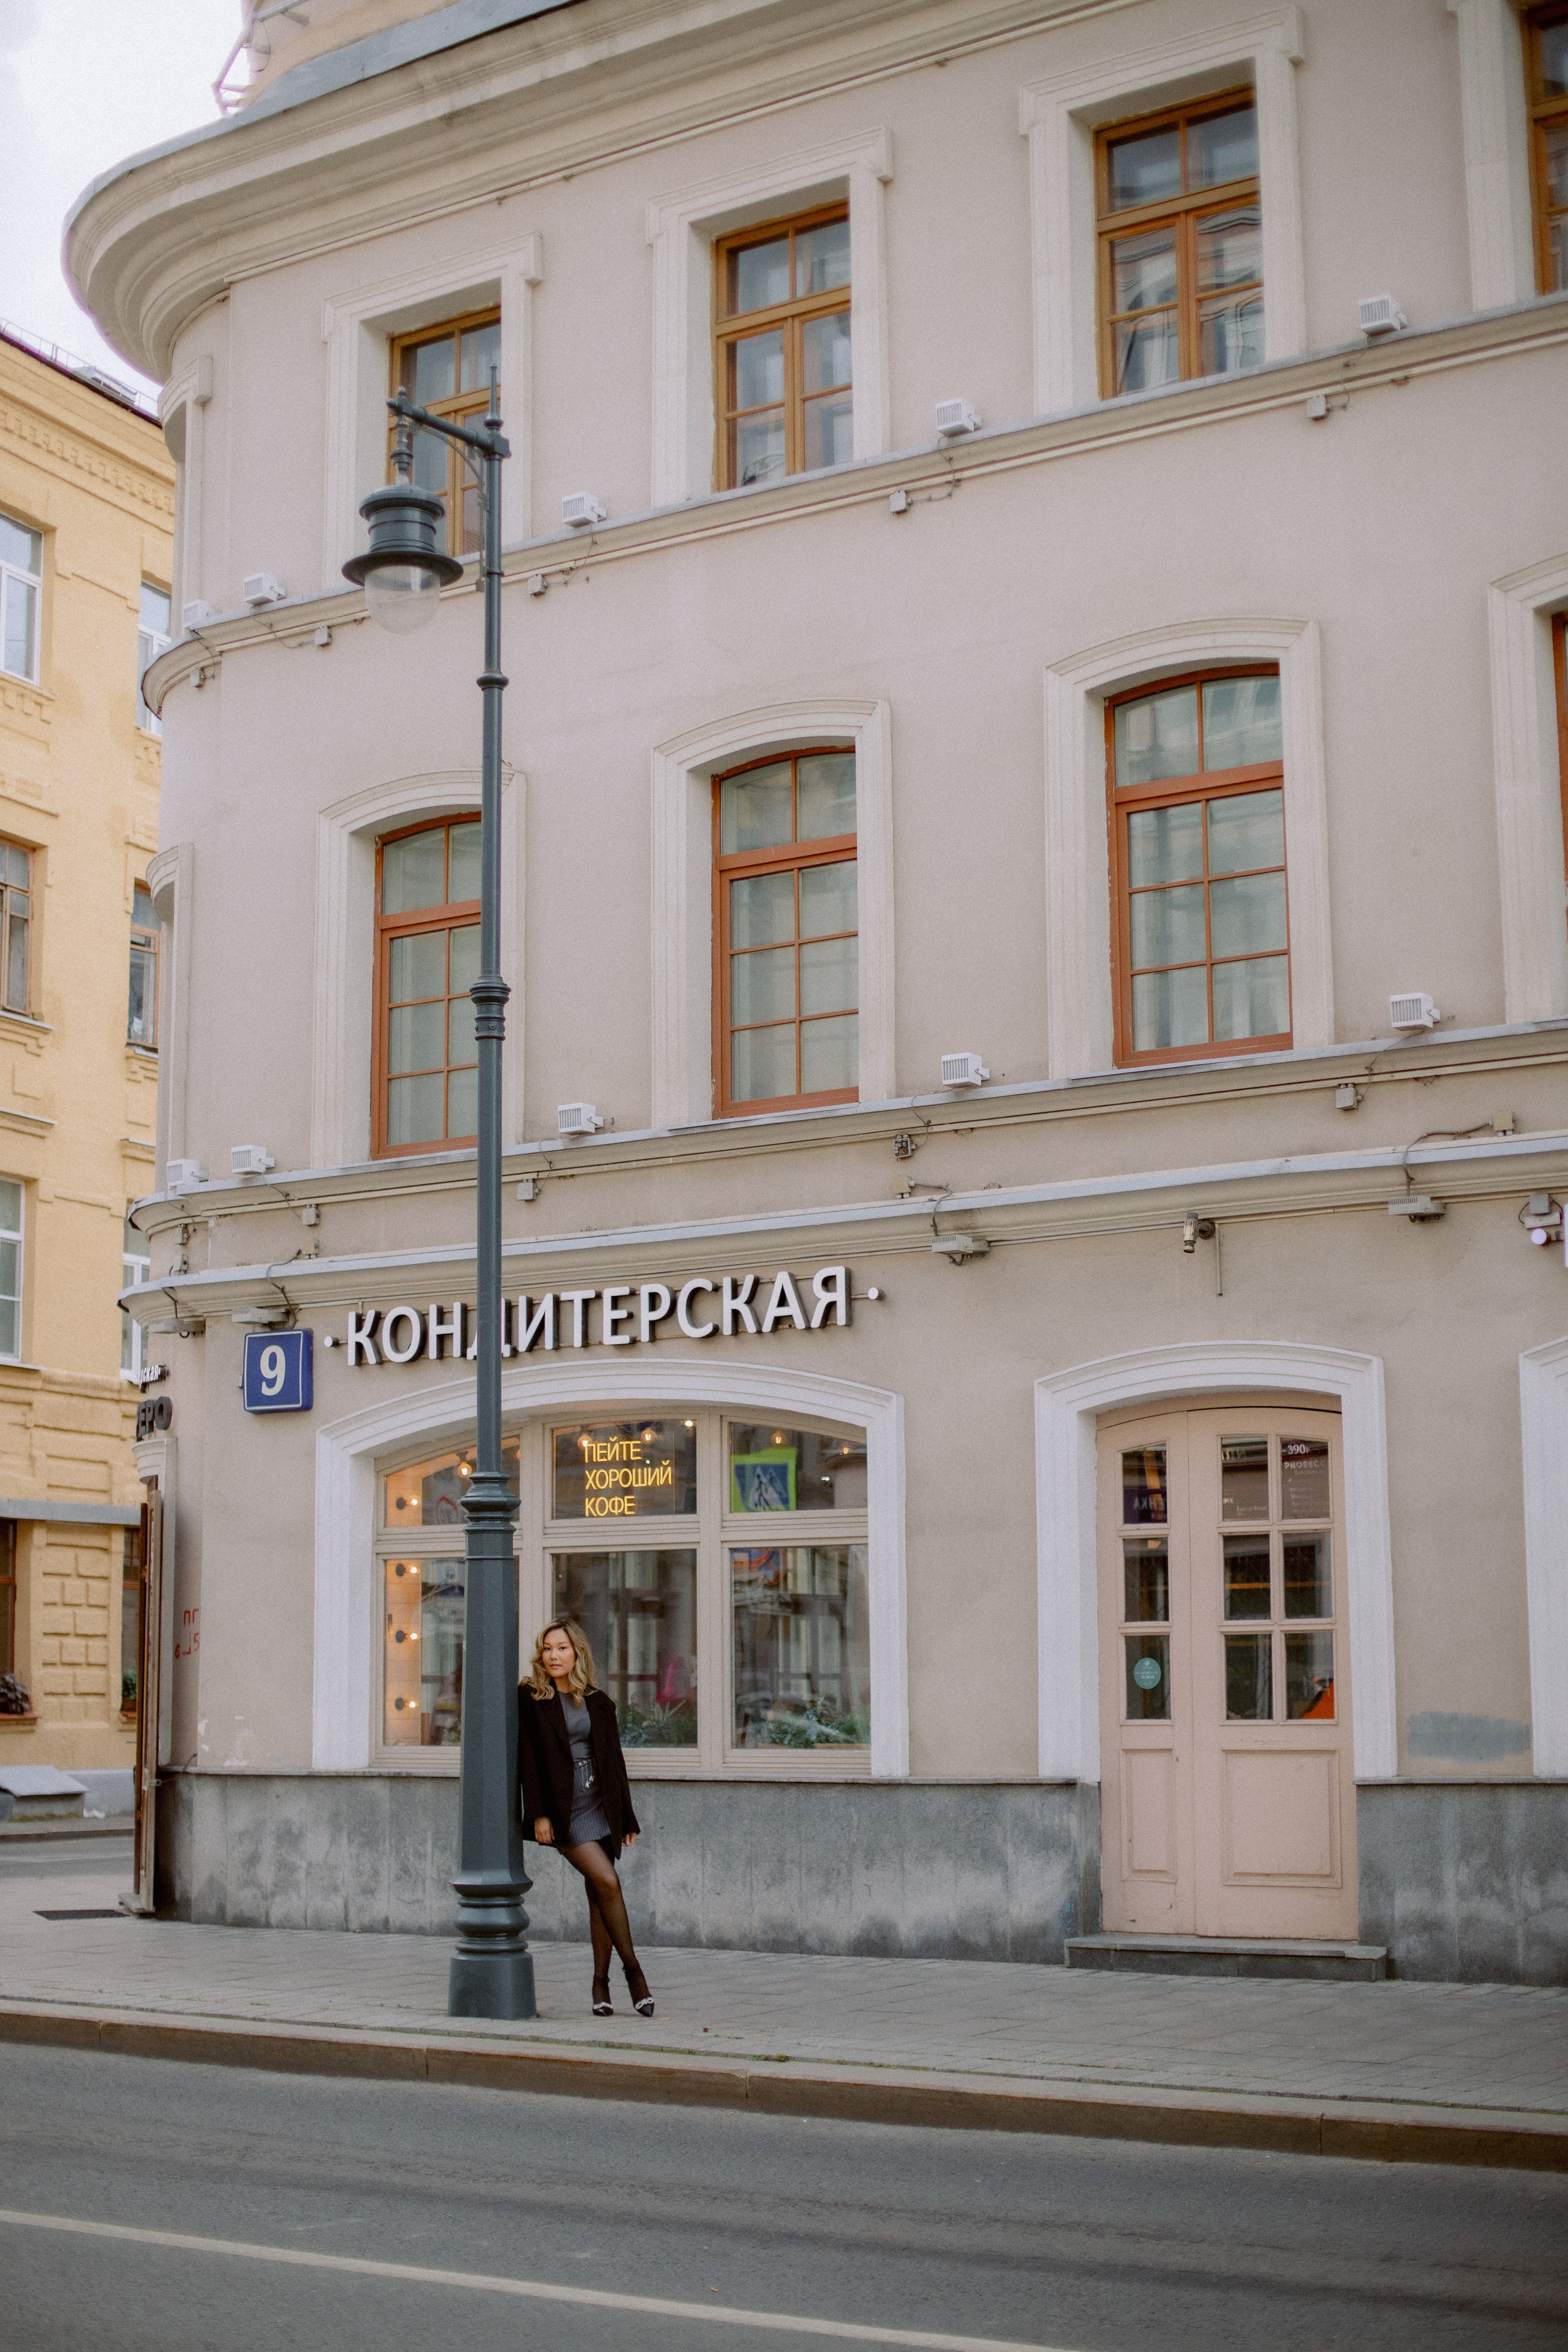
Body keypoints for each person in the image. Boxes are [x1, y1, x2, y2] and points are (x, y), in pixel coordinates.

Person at [518, 1617, 654, 2018]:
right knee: (608, 1881)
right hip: (564, 1809)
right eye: (547, 1648)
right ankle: (634, 1973)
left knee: (600, 1892)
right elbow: (529, 1761)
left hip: (599, 1801)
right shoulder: (531, 1698)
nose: (554, 1655)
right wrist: (539, 1814)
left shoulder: (597, 1701)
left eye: (561, 1648)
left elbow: (614, 1761)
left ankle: (600, 1985)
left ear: (576, 1652)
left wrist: (626, 1817)